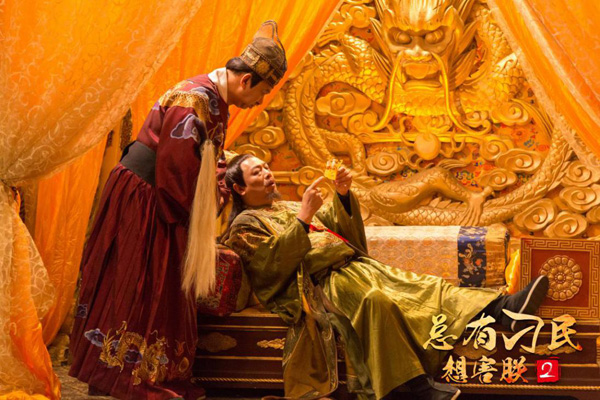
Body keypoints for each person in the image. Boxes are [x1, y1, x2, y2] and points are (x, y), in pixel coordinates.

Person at [69, 22, 287, 400]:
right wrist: (208, 201)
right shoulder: (194, 99)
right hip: (148, 195)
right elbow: (176, 171)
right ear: (246, 80)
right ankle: (127, 375)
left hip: (164, 194)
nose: (259, 101)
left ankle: (131, 372)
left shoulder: (216, 101)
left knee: (160, 285)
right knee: (141, 283)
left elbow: (209, 158)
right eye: (263, 92)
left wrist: (219, 183)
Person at [221, 154, 549, 400]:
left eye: (266, 167)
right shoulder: (244, 226)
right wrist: (304, 216)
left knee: (426, 287)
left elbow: (336, 227)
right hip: (319, 284)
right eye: (256, 172)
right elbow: (269, 267)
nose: (267, 173)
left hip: (356, 268)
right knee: (377, 302)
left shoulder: (289, 207)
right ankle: (417, 386)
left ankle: (504, 308)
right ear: (239, 187)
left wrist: (343, 194)